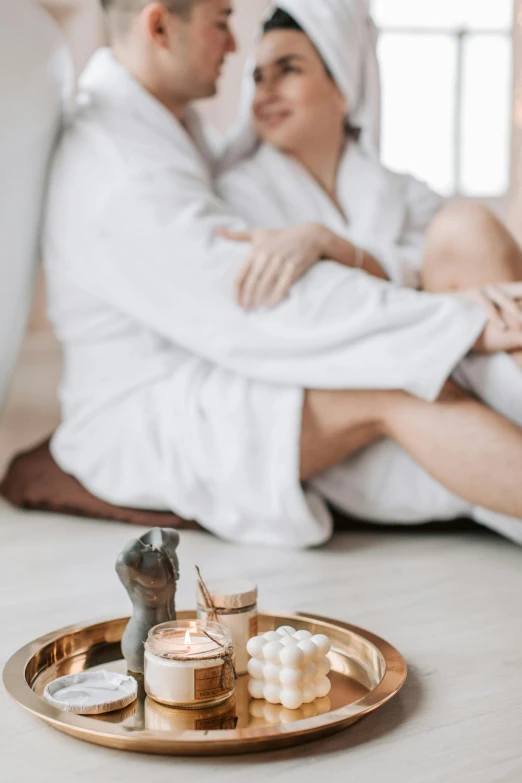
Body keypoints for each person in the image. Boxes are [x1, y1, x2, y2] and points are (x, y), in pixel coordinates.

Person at [43, 0, 522, 548]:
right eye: (222, 22)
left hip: (220, 358)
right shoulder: (120, 171)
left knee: (450, 275)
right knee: (402, 380)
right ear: (159, 25)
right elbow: (259, 301)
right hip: (153, 408)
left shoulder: (165, 130)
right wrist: (457, 319)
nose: (232, 44)